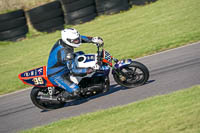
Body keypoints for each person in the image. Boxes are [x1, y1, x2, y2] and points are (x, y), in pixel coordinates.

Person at [47, 28, 104, 97]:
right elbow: (74, 71)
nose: (78, 41)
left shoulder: (65, 41)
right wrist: (90, 69)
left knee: (81, 54)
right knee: (76, 91)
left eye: (77, 39)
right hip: (57, 74)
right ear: (68, 40)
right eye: (75, 40)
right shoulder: (66, 54)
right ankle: (60, 97)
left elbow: (80, 38)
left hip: (63, 65)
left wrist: (92, 39)